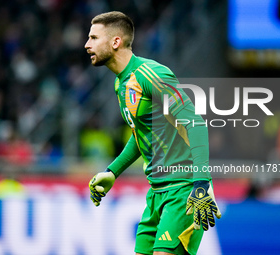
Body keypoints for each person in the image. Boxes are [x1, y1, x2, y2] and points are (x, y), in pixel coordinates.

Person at [85, 11, 221, 255]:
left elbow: (195, 123)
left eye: (94, 37)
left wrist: (201, 182)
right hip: (156, 194)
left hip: (183, 192)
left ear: (115, 42)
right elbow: (141, 135)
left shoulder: (152, 74)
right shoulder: (121, 83)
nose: (87, 44)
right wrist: (112, 171)